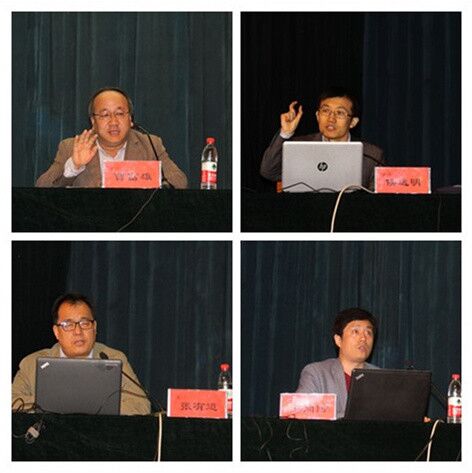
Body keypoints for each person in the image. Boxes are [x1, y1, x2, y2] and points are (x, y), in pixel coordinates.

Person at [12, 293, 151, 415]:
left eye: (85, 323)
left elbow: (141, 405)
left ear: (94, 327)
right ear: (56, 332)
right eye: (68, 325)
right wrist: (52, 403)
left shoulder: (113, 358)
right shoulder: (32, 363)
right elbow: (12, 402)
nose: (78, 331)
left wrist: (87, 404)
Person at [36, 87, 188, 188]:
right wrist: (74, 166)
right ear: (93, 122)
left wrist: (154, 185)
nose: (113, 122)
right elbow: (42, 187)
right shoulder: (72, 147)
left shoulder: (150, 144)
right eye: (105, 115)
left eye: (120, 114)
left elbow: (179, 181)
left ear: (130, 119)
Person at [260, 87, 384, 190]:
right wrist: (286, 133)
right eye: (325, 111)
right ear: (318, 116)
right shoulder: (300, 146)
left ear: (353, 122)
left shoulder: (371, 155)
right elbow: (268, 172)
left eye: (340, 113)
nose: (331, 118)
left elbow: (377, 200)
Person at [296, 307, 378, 419]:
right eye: (356, 331)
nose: (363, 338)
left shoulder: (381, 378)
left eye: (368, 332)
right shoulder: (316, 374)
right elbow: (299, 414)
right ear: (338, 340)